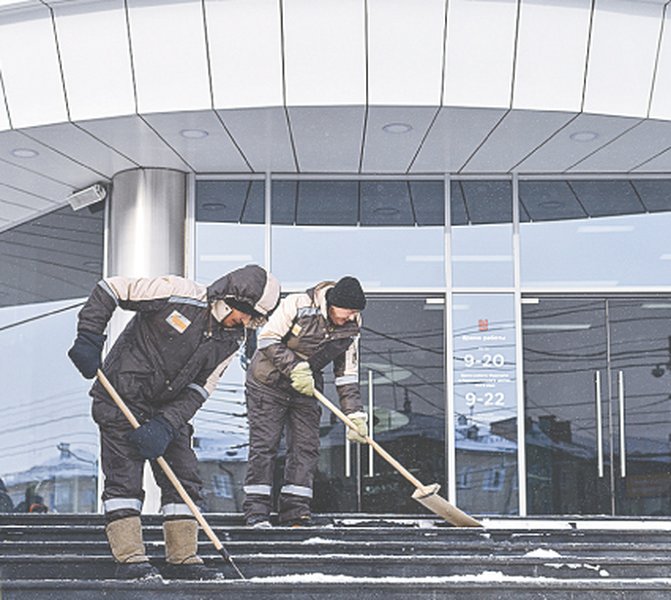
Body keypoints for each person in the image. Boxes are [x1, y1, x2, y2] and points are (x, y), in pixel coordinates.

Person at [67, 265, 280, 579]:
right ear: (233, 300)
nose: (248, 323)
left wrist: (167, 425)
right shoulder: (178, 294)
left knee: (184, 478)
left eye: (255, 320)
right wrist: (89, 336)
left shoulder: (231, 341)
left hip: (168, 411)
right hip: (121, 397)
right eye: (248, 315)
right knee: (124, 481)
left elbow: (201, 388)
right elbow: (111, 288)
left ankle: (182, 558)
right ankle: (130, 559)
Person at [243, 276, 368, 527]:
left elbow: (347, 374)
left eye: (355, 312)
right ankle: (257, 512)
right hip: (267, 383)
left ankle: (295, 511)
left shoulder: (351, 327)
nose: (350, 317)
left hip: (306, 388)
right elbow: (267, 338)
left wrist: (354, 414)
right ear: (331, 304)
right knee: (265, 445)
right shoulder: (298, 304)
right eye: (347, 311)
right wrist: (294, 367)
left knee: (306, 447)